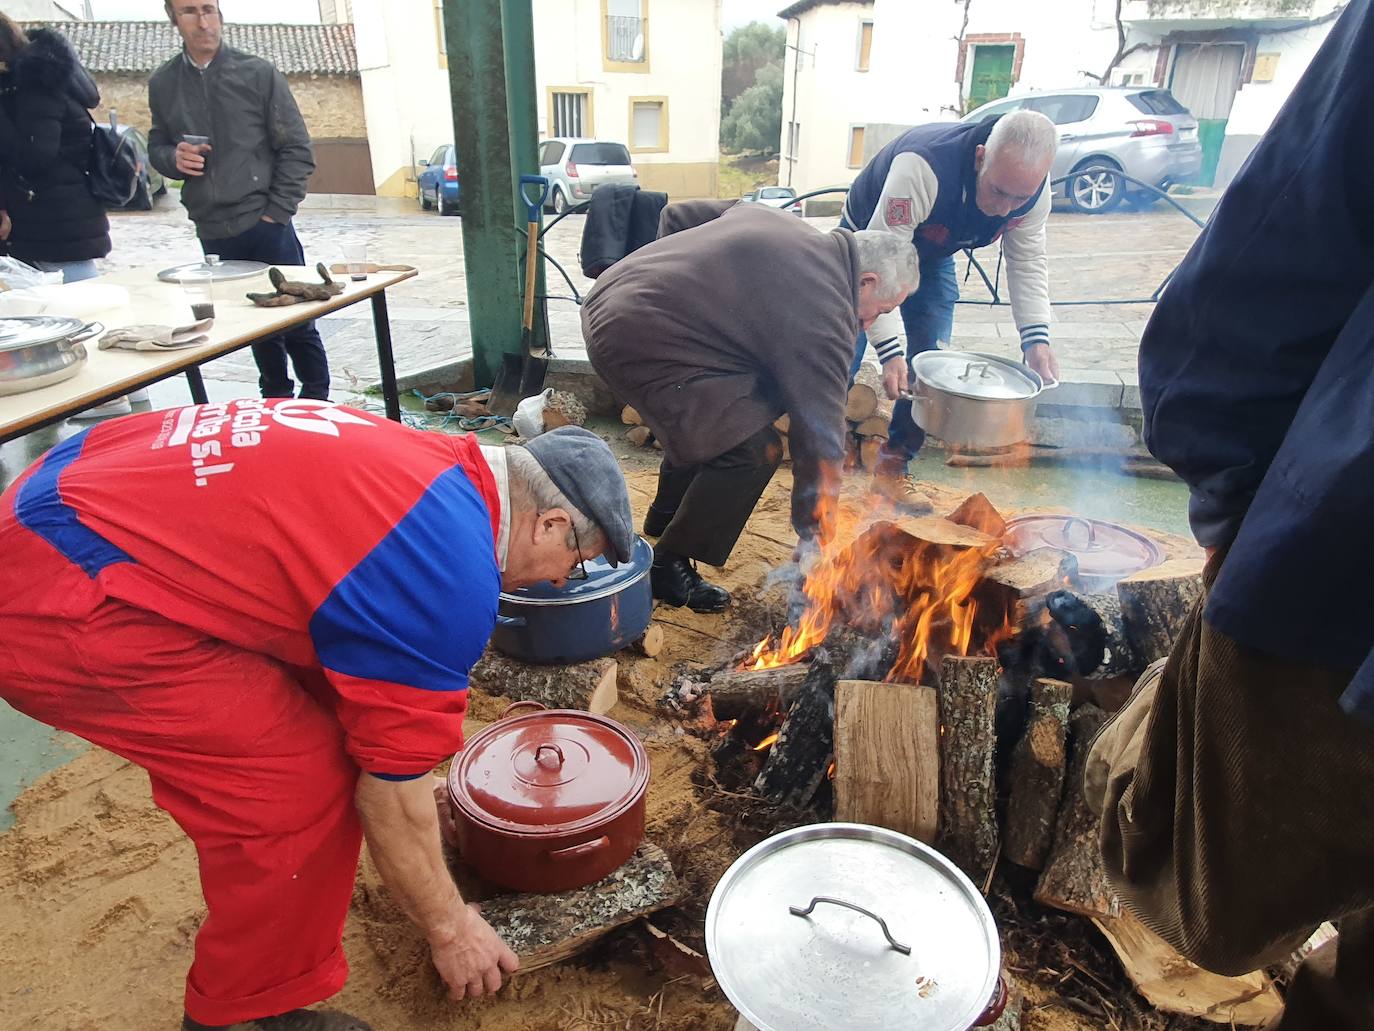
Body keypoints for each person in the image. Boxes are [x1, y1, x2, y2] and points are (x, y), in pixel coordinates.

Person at [0, 403, 634, 1031]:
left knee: (324, 711)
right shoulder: (447, 576)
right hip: (61, 592)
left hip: (68, 492)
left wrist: (410, 773)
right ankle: (240, 1016)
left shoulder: (436, 462)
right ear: (549, 523)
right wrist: (451, 924)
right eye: (577, 562)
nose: (560, 584)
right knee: (292, 789)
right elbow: (386, 796)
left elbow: (345, 637)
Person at [1084, 3, 1374, 1029]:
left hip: (1336, 587)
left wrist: (1233, 493)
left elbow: (1281, 246)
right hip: (1344, 591)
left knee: (1193, 875)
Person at [582, 200, 918, 612]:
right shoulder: (826, 311)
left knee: (720, 414)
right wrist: (816, 536)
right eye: (879, 312)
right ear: (865, 281)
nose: (867, 324)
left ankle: (664, 516)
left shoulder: (779, 220)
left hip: (610, 296)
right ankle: (669, 567)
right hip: (636, 337)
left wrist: (670, 286)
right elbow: (820, 433)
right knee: (753, 449)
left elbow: (679, 216)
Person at [843, 110, 1060, 508]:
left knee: (930, 360)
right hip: (866, 245)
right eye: (997, 191)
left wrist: (1036, 338)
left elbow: (1027, 261)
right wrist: (889, 351)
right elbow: (877, 263)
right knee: (840, 355)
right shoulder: (922, 168)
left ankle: (892, 470)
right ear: (981, 157)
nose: (1005, 208)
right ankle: (820, 476)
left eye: (1019, 198)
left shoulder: (1033, 192)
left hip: (934, 252)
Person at [148, 0, 329, 401]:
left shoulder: (257, 74)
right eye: (190, 11)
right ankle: (275, 399)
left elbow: (297, 148)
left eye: (209, 9)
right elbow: (157, 143)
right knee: (252, 321)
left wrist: (276, 213)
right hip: (212, 227)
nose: (203, 21)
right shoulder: (163, 83)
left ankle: (318, 398)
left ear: (221, 14)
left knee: (297, 316)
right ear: (173, 18)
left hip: (266, 223)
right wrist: (170, 158)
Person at [0, 18, 111, 285]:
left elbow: (35, 155)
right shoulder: (18, 83)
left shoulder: (37, 82)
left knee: (79, 313)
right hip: (39, 226)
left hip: (57, 229)